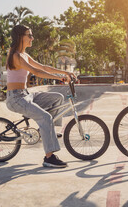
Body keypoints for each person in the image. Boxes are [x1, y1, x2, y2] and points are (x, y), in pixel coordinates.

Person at [5, 24, 75, 168]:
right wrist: (59, 78)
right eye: (29, 35)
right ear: (20, 37)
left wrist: (65, 73)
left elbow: (43, 67)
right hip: (16, 98)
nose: (32, 38)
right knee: (45, 117)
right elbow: (35, 71)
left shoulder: (24, 54)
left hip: (25, 95)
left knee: (57, 98)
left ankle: (49, 133)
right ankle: (49, 158)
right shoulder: (16, 56)